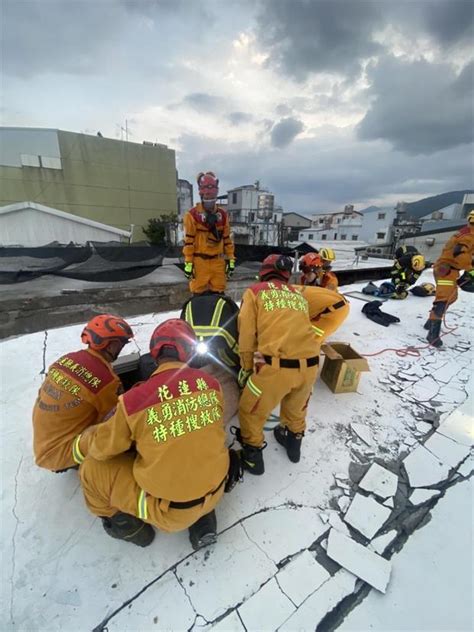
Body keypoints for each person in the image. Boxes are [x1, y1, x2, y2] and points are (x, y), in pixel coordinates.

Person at [79, 319, 230, 549]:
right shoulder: (211, 384)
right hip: (216, 490)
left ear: (155, 353)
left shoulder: (134, 401)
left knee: (91, 469)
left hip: (169, 511)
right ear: (189, 351)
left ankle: (131, 529)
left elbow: (102, 448)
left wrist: (85, 438)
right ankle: (203, 519)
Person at [234, 254, 321, 474]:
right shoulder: (298, 295)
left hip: (275, 367)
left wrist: (247, 368)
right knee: (296, 408)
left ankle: (253, 458)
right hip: (310, 366)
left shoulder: (254, 292)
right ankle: (293, 444)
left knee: (250, 410)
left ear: (262, 272)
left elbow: (247, 336)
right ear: (286, 274)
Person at [32, 314, 133, 473]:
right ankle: (75, 462)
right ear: (112, 345)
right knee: (118, 430)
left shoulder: (65, 360)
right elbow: (119, 419)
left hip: (44, 439)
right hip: (61, 453)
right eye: (121, 344)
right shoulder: (106, 381)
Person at [426, 210, 474, 347]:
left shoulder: (468, 233)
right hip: (445, 270)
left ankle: (430, 321)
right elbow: (460, 253)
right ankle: (432, 335)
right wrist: (471, 270)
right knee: (444, 300)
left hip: (451, 270)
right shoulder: (469, 236)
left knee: (452, 298)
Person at [182, 171, 235, 295]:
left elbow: (227, 240)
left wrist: (231, 260)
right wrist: (188, 263)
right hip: (200, 261)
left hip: (218, 261)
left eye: (212, 196)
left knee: (219, 295)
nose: (209, 199)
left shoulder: (223, 215)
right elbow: (189, 242)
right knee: (198, 295)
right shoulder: (192, 215)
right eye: (206, 196)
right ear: (201, 193)